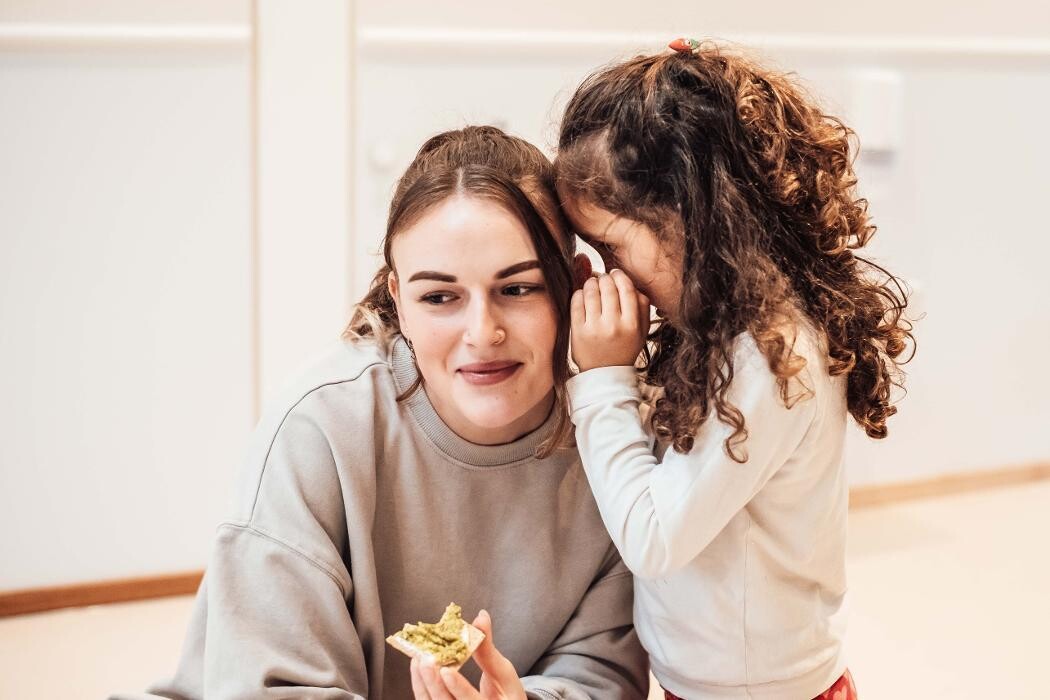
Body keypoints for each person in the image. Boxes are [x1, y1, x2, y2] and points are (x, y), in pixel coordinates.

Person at [112, 126, 649, 700]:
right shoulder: (318, 427)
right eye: (439, 297)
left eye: (518, 289)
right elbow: (270, 685)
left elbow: (602, 677)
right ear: (397, 298)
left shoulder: (614, 440)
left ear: (575, 283)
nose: (482, 333)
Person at [554, 39, 914, 700]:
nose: (608, 272)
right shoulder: (720, 327)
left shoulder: (768, 353)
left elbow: (655, 538)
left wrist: (603, 378)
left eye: (611, 244)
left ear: (690, 216)